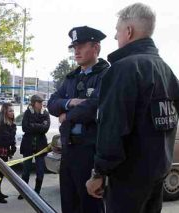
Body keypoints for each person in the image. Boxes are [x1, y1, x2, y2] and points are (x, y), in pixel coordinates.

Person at [86, 3, 179, 213]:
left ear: (129, 31)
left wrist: (98, 174)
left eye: (118, 31)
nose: (116, 36)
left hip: (128, 179)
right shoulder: (166, 70)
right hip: (157, 174)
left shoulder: (123, 70)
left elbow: (113, 129)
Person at [47, 26, 109, 213]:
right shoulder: (71, 78)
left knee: (90, 205)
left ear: (96, 48)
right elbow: (51, 104)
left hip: (90, 152)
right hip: (69, 150)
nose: (76, 51)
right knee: (69, 203)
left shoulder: (106, 74)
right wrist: (71, 102)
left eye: (81, 46)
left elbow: (94, 106)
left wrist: (66, 116)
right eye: (74, 47)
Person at [18, 95, 50, 200]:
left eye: (42, 102)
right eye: (39, 102)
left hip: (40, 147)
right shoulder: (27, 113)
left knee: (40, 171)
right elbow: (24, 127)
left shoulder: (45, 113)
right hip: (28, 146)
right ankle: (24, 192)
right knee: (26, 171)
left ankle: (37, 192)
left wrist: (33, 125)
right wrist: (39, 126)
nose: (41, 104)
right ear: (34, 103)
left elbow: (45, 129)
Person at [0, 103, 16, 203]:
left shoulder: (11, 123)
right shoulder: (2, 123)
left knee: (1, 173)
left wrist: (12, 146)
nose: (12, 113)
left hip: (5, 150)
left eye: (13, 110)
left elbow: (11, 138)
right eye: (10, 111)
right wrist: (12, 145)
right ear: (5, 112)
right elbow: (5, 139)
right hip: (1, 150)